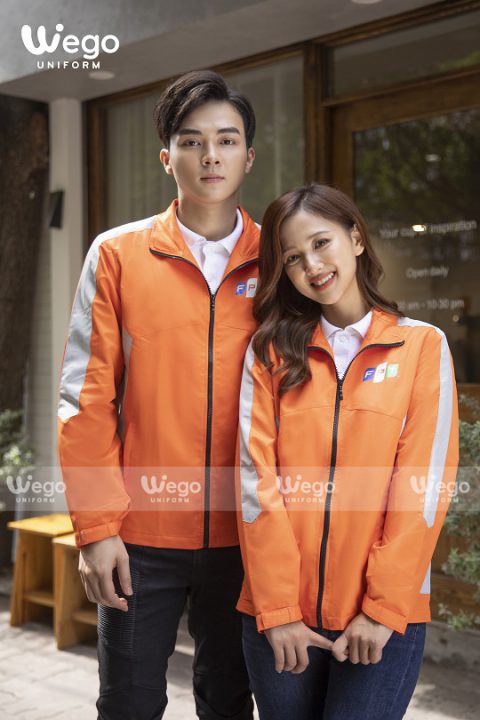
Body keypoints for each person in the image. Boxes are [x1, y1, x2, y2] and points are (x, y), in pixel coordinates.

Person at [57, 70, 259, 720]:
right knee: (128, 704)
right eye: (192, 141)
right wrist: (96, 530)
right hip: (140, 538)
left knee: (229, 704)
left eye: (227, 140)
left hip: (249, 536)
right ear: (167, 156)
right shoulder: (117, 255)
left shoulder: (282, 262)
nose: (210, 156)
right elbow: (85, 400)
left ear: (249, 156)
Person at [236, 183, 459, 720]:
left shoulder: (422, 346)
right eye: (293, 257)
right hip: (281, 619)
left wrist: (381, 609)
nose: (312, 265)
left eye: (321, 243)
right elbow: (254, 483)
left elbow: (423, 488)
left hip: (382, 618)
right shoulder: (269, 353)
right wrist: (278, 609)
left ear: (355, 239)